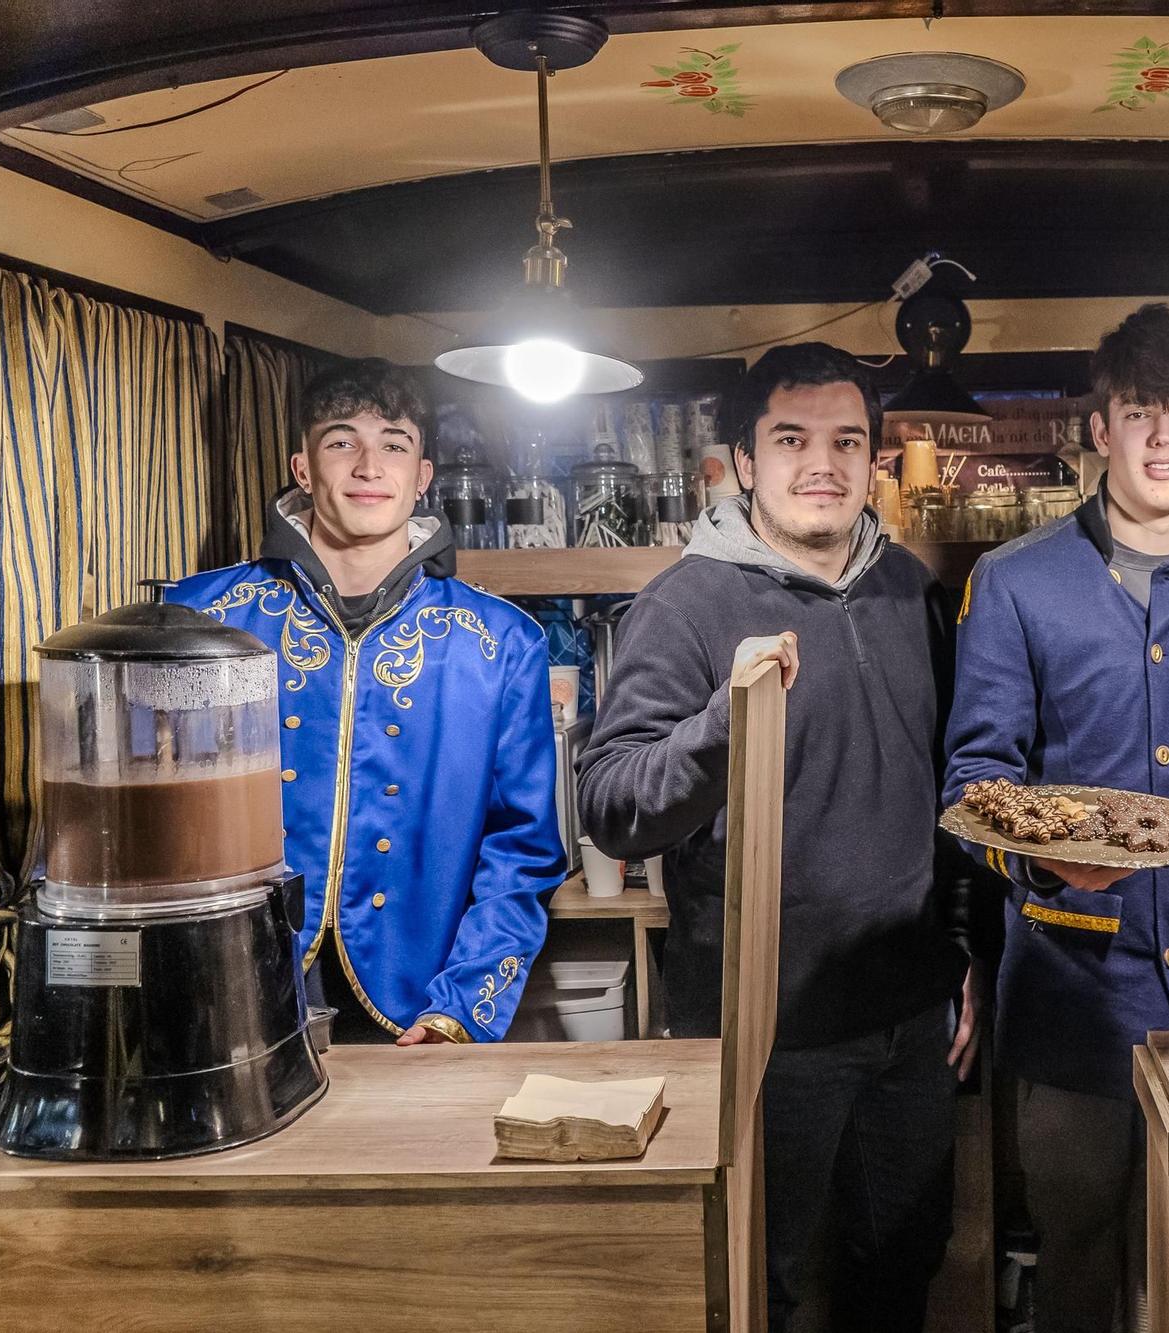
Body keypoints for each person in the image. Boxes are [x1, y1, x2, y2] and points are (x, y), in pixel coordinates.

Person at [576, 342, 974, 1332]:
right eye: (790, 439)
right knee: (767, 1283)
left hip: (910, 1019)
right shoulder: (686, 603)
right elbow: (614, 801)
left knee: (901, 1265)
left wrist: (968, 950)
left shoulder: (912, 594)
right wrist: (721, 725)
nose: (822, 464)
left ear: (874, 459)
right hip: (763, 1028)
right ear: (741, 463)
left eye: (847, 441)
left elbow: (957, 793)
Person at [945, 304, 1169, 1333]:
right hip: (1073, 981)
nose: (1159, 438)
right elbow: (974, 784)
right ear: (1097, 428)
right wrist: (1046, 871)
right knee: (1076, 1242)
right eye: (1138, 412)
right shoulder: (1014, 581)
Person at [169, 360, 563, 1045]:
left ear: (423, 476)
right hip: (229, 997)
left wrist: (463, 1008)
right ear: (302, 466)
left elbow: (521, 853)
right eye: (341, 441)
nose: (368, 465)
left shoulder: (500, 642)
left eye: (394, 445)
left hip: (420, 1005)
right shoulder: (203, 620)